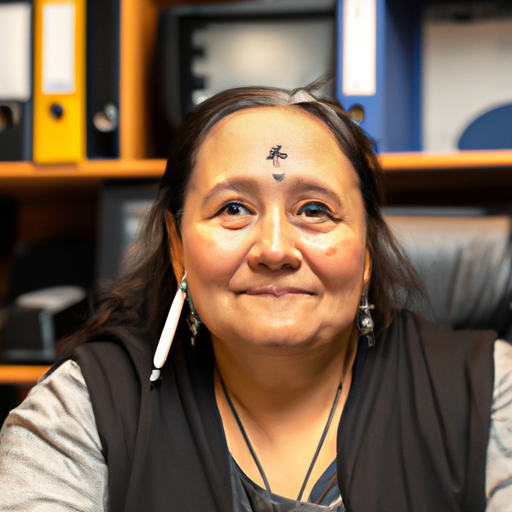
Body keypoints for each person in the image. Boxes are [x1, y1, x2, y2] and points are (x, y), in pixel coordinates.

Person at [0, 84, 511, 512]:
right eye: (234, 209)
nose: (274, 249)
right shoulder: (84, 406)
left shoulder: (490, 392)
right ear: (178, 249)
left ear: (367, 253)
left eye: (313, 210)